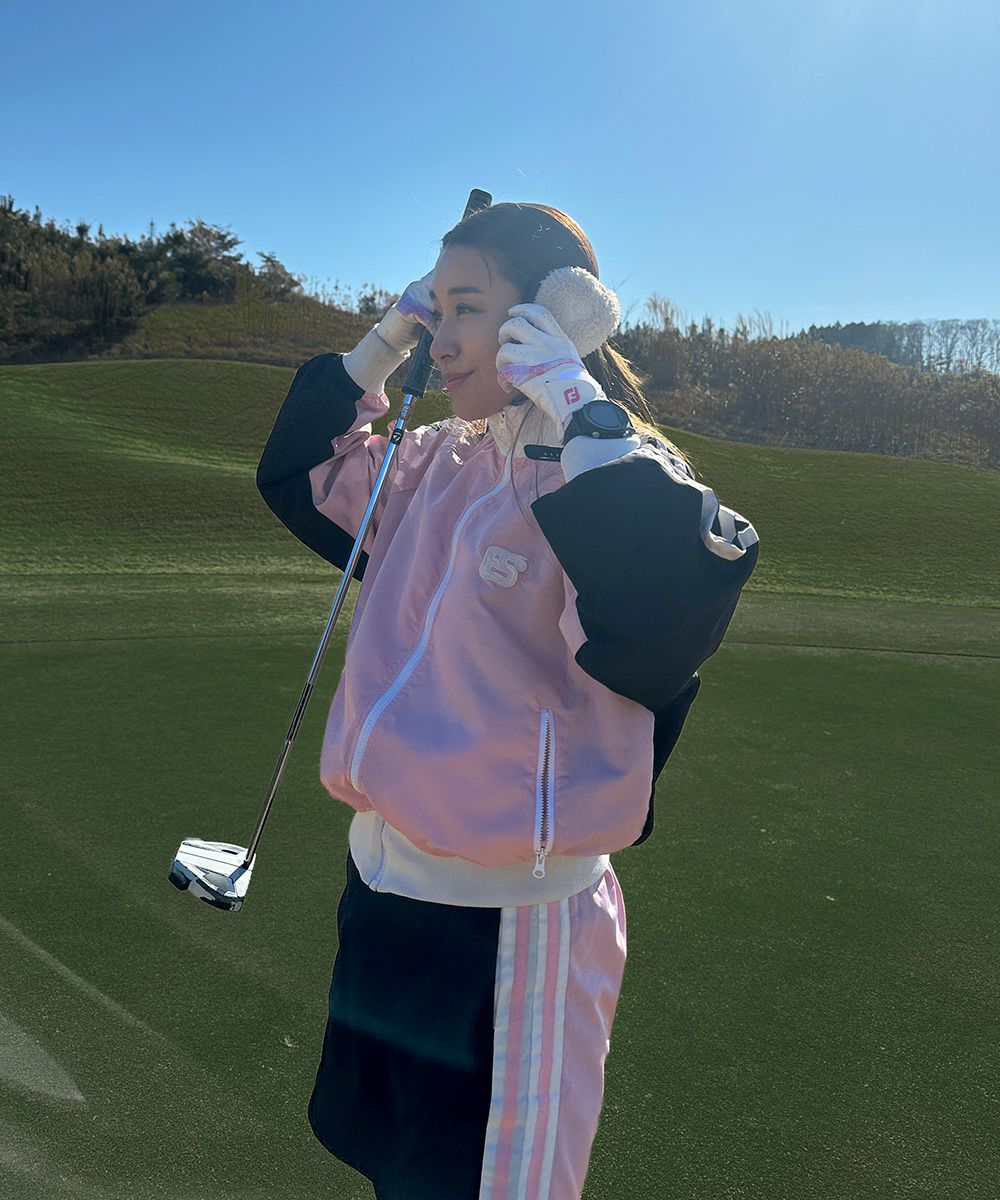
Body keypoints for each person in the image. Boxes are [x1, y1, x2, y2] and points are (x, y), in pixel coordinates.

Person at [255, 202, 760, 1200]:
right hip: (384, 900)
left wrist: (575, 401)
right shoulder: (438, 459)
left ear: (556, 316)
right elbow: (301, 470)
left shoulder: (606, 474)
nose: (438, 337)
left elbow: (663, 613)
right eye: (429, 307)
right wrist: (382, 341)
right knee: (393, 1165)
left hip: (507, 936)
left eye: (465, 308)